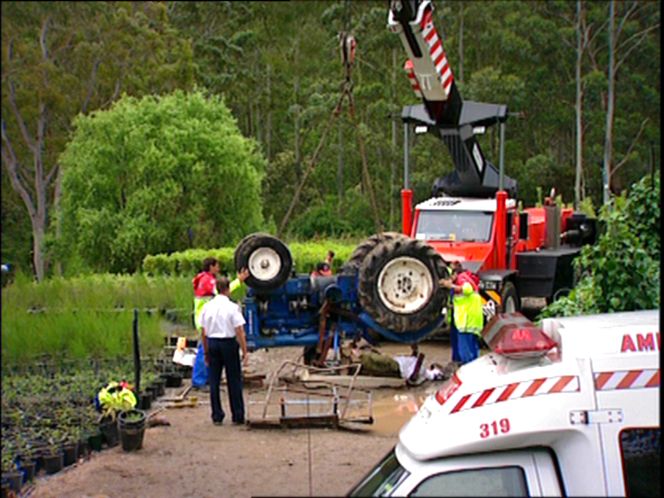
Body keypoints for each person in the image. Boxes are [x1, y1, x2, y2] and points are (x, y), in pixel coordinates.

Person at [192, 258, 248, 389]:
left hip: (205, 317)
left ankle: (204, 378)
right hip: (206, 318)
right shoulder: (207, 280)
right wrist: (239, 280)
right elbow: (220, 291)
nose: (218, 268)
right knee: (203, 350)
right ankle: (199, 380)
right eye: (217, 266)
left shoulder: (202, 278)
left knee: (206, 349)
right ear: (211, 266)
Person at [200, 277, 249, 425]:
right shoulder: (232, 307)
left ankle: (217, 414)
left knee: (214, 380)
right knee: (233, 379)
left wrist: (206, 351)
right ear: (227, 289)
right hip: (228, 343)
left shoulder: (207, 307)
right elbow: (239, 330)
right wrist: (245, 351)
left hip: (213, 342)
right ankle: (238, 414)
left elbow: (203, 331)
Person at [440, 262, 483, 365]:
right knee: (473, 349)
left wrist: (450, 285)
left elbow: (467, 289)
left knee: (465, 352)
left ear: (454, 274)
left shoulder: (461, 278)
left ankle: (467, 374)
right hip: (472, 321)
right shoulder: (466, 277)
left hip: (466, 321)